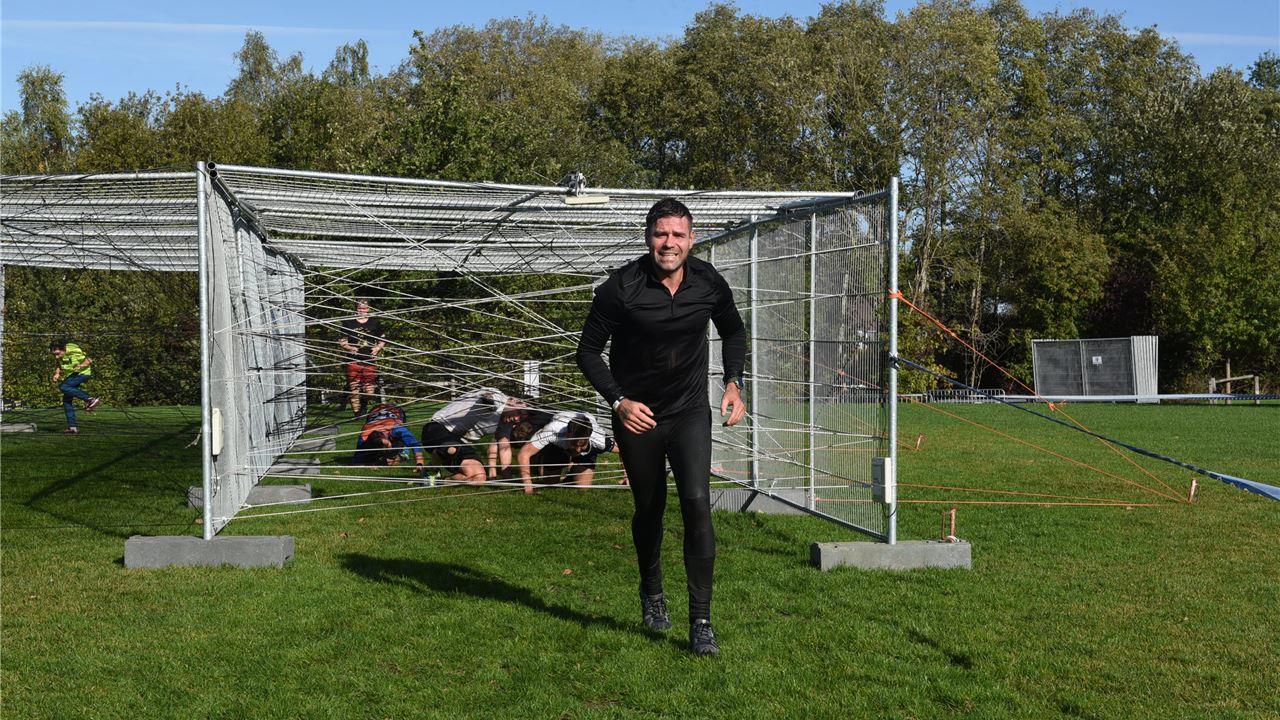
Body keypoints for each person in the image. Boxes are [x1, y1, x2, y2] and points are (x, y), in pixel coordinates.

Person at [576, 197, 747, 656]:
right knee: (649, 509)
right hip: (639, 418)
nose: (669, 243)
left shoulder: (708, 282)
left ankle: (701, 621)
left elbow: (733, 330)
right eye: (660, 234)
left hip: (689, 412)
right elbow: (587, 351)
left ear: (691, 239)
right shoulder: (620, 288)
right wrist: (619, 402)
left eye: (678, 235)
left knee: (697, 503)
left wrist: (734, 382)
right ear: (648, 237)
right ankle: (651, 590)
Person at [421, 388, 524, 485]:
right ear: (513, 401)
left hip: (459, 443)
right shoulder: (498, 397)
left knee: (479, 478)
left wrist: (507, 478)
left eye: (521, 418)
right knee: (451, 448)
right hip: (436, 430)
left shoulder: (506, 420)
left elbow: (504, 446)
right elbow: (490, 398)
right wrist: (489, 401)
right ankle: (431, 469)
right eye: (518, 412)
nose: (517, 419)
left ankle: (439, 481)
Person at [516, 410, 619, 494]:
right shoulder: (552, 431)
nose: (578, 449)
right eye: (574, 444)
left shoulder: (600, 440)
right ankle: (549, 463)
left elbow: (624, 449)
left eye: (582, 445)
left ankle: (571, 472)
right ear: (567, 435)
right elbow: (523, 454)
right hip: (558, 447)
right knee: (550, 484)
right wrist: (528, 484)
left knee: (582, 488)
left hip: (586, 450)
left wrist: (626, 476)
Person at [352, 403, 427, 476]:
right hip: (376, 415)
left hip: (395, 411)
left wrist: (419, 462)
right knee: (375, 459)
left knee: (400, 444)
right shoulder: (364, 436)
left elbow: (414, 443)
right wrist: (370, 464)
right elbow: (357, 462)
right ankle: (389, 455)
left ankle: (402, 453)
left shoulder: (397, 429)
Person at [339, 299, 386, 416]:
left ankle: (364, 404)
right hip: (353, 360)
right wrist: (350, 348)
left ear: (368, 309)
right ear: (356, 309)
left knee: (369, 390)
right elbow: (342, 341)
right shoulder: (348, 323)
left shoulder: (374, 322)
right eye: (360, 308)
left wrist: (377, 348)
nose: (362, 310)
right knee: (354, 389)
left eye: (364, 308)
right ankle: (357, 414)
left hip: (369, 359)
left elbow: (383, 338)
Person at [487, 406, 554, 480]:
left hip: (537, 437)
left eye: (521, 416)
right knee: (498, 440)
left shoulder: (542, 415)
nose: (516, 418)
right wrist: (493, 470)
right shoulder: (510, 418)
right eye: (518, 413)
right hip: (518, 435)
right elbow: (499, 440)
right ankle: (498, 474)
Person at [51, 339, 101, 435]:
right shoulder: (60, 355)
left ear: (64, 349)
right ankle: (72, 428)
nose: (56, 356)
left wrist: (80, 366)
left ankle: (90, 399)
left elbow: (89, 360)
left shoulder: (74, 351)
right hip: (73, 375)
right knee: (66, 401)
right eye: (54, 354)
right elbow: (58, 363)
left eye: (57, 353)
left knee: (63, 387)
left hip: (82, 373)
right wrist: (57, 373)